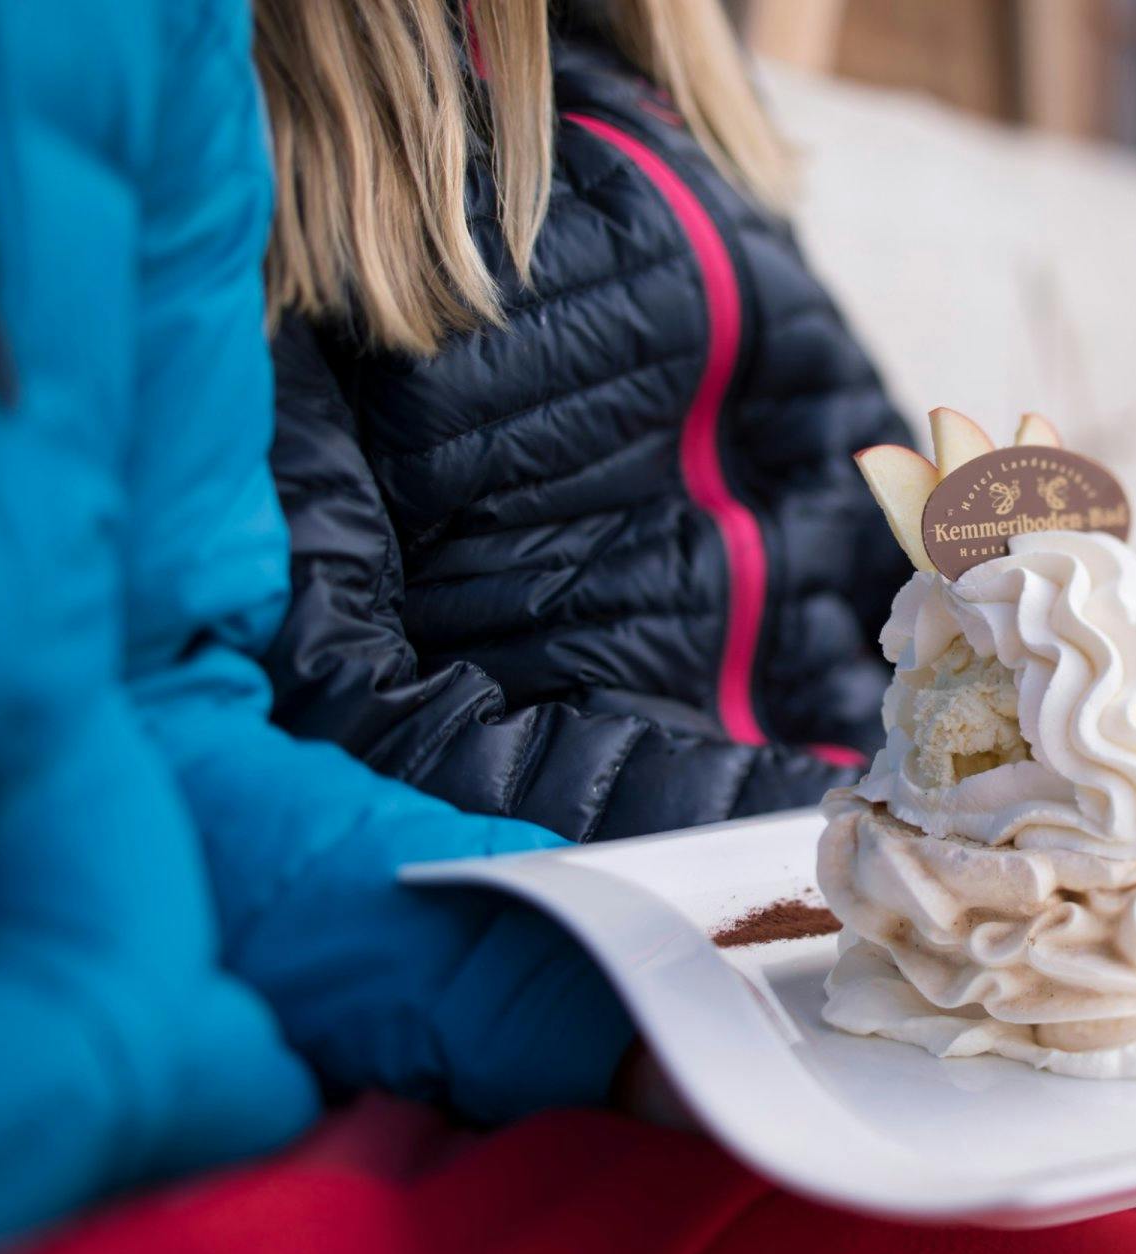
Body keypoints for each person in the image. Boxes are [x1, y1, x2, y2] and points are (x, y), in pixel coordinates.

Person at [0, 2, 633, 1254]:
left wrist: (629, 983)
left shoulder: (162, 28)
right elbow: (357, 680)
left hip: (181, 1085)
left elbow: (160, 694)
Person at [256, 0, 918, 842]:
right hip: (626, 881)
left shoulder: (662, 90)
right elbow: (347, 705)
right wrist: (846, 812)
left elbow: (876, 508)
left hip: (860, 813)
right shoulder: (296, 142)